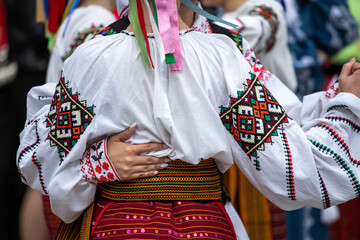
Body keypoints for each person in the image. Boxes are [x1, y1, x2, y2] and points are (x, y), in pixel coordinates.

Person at [17, 0, 360, 239]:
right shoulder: (223, 58)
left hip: (118, 227)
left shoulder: (92, 58)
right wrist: (345, 105)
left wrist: (96, 163)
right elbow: (296, 168)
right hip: (204, 227)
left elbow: (39, 158)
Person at [201, 0, 297, 93]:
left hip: (282, 102)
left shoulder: (266, 7)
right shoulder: (226, 16)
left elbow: (258, 28)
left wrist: (197, 32)